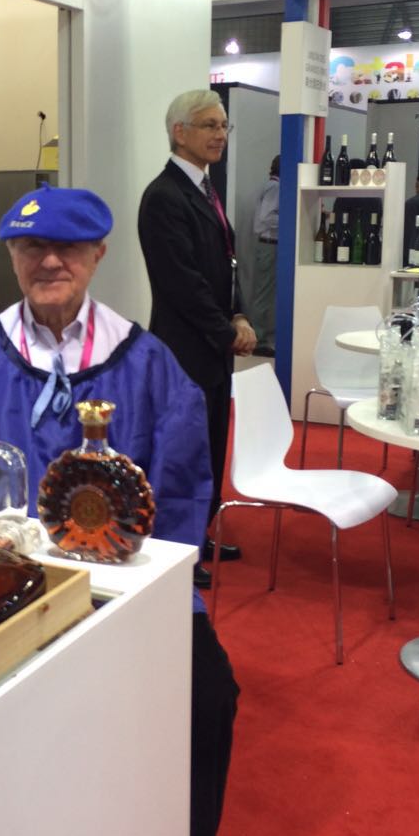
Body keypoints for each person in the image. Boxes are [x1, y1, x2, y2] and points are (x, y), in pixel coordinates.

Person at [0, 183, 240, 836]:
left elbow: (182, 493)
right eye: (32, 248)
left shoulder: (147, 363)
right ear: (12, 257)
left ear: (99, 255)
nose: (49, 262)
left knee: (209, 696)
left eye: (68, 249)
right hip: (2, 592)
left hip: (127, 593)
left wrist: (138, 592)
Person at [137, 89, 256, 588]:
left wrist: (240, 312)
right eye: (209, 125)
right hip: (183, 348)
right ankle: (175, 549)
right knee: (183, 450)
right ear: (179, 132)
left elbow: (227, 262)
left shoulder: (205, 188)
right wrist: (225, 330)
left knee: (210, 444)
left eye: (224, 125)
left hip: (211, 347)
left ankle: (199, 535)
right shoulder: (164, 197)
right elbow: (181, 282)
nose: (220, 135)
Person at [249, 154, 279, 356]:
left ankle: (263, 336)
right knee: (264, 294)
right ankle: (259, 340)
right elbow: (266, 218)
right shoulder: (275, 188)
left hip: (268, 245)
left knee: (265, 292)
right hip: (270, 245)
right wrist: (292, 217)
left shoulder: (269, 186)